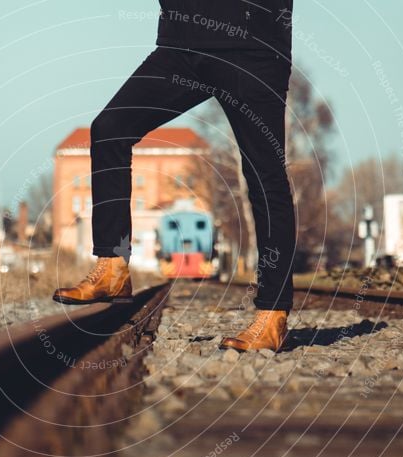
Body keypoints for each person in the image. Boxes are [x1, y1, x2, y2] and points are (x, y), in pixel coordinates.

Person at [53, 0, 295, 352]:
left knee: (264, 174)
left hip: (251, 45)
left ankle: (273, 313)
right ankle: (112, 266)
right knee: (110, 129)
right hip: (181, 44)